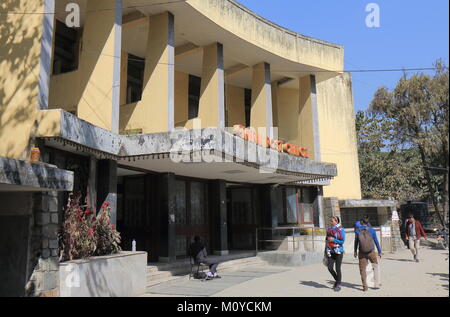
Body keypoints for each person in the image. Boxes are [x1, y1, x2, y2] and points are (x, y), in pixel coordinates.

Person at [354, 217, 382, 291]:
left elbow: (356, 242)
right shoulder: (372, 231)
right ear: (367, 223)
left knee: (362, 269)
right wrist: (379, 251)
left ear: (361, 222)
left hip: (362, 252)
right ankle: (376, 284)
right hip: (371, 252)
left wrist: (355, 251)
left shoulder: (357, 231)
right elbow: (376, 241)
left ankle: (365, 286)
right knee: (375, 267)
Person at [326, 216, 346, 292]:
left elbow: (342, 241)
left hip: (339, 251)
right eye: (331, 221)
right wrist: (328, 240)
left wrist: (333, 239)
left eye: (332, 221)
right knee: (330, 267)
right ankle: (337, 281)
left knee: (338, 269)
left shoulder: (341, 230)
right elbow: (327, 238)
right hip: (331, 251)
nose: (331, 222)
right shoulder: (330, 229)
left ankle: (338, 284)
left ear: (336, 221)